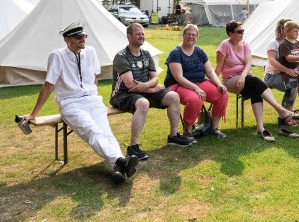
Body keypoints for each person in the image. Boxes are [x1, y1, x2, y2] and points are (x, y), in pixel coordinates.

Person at [25, 20, 138, 184]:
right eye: (78, 36)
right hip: (71, 103)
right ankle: (121, 161)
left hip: (93, 100)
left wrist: (93, 94)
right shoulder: (57, 56)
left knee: (105, 131)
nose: (82, 39)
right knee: (92, 130)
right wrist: (33, 114)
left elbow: (94, 78)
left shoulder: (90, 52)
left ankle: (119, 166)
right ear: (67, 39)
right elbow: (48, 86)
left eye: (84, 35)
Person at [111, 23, 190, 161]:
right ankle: (133, 147)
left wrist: (148, 86)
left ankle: (173, 136)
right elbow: (130, 85)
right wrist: (153, 88)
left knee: (173, 96)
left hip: (143, 92)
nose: (142, 36)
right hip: (122, 94)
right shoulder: (121, 56)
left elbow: (155, 78)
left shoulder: (146, 54)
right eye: (138, 34)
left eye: (143, 33)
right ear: (129, 37)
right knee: (143, 103)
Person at [215, 20, 299, 141]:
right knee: (254, 81)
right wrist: (214, 82)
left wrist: (243, 76)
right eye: (239, 31)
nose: (242, 33)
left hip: (245, 79)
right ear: (230, 33)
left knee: (255, 89)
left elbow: (249, 63)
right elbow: (218, 67)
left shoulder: (245, 44)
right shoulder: (224, 45)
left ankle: (260, 127)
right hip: (230, 80)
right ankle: (280, 110)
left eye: (243, 31)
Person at [164, 24, 229, 142]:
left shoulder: (199, 51)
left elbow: (209, 71)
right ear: (183, 36)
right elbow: (178, 77)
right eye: (188, 34)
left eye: (193, 34)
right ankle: (187, 131)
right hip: (177, 85)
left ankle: (213, 127)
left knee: (222, 94)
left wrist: (219, 84)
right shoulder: (175, 53)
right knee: (195, 98)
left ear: (197, 37)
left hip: (199, 82)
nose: (191, 36)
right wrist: (195, 88)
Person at [263, 18, 299, 115]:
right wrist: (287, 70)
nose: (296, 32)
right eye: (292, 28)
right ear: (284, 29)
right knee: (292, 84)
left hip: (289, 74)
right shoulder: (273, 43)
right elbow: (272, 61)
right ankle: (286, 113)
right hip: (273, 75)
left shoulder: (294, 43)